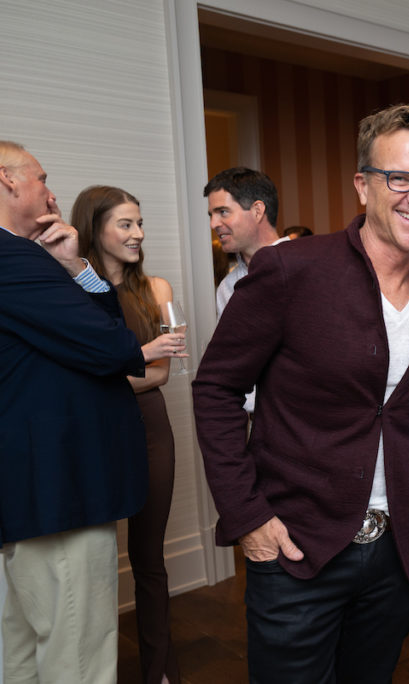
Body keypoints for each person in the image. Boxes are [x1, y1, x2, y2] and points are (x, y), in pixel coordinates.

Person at [192, 102, 409, 684]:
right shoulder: (292, 270)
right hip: (296, 549)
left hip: (396, 554)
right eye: (400, 178)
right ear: (363, 185)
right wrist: (247, 517)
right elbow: (216, 389)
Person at [0, 141, 177, 683]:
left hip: (26, 491)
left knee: (21, 649)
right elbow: (115, 346)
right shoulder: (16, 259)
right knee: (77, 653)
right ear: (6, 180)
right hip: (58, 490)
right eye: (40, 178)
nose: (50, 191)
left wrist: (74, 267)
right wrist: (75, 265)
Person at [73, 185, 186, 684]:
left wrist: (96, 376)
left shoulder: (154, 289)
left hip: (149, 429)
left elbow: (159, 375)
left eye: (140, 223)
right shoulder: (68, 291)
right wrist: (130, 365)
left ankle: (158, 671)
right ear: (93, 228)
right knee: (88, 562)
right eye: (125, 224)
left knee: (149, 559)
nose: (138, 234)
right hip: (91, 435)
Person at [204, 167, 289, 317]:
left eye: (223, 212)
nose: (213, 224)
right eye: (211, 215)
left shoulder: (306, 269)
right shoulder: (227, 288)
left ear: (257, 211)